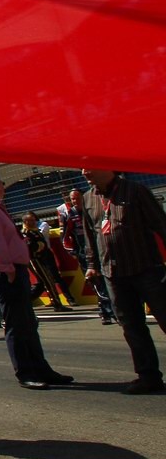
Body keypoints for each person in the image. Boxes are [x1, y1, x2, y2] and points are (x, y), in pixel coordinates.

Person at [0, 170, 73, 390]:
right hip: (5, 271)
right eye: (3, 183)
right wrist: (8, 270)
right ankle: (26, 372)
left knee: (27, 322)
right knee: (17, 325)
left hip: (10, 269)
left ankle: (41, 368)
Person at [80, 169, 166, 394]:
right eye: (82, 167)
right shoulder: (88, 198)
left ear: (107, 167)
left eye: (91, 166)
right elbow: (90, 235)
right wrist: (91, 265)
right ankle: (148, 376)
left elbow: (161, 224)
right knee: (131, 326)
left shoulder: (136, 191)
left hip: (146, 268)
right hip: (113, 274)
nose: (84, 171)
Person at [57, 188, 115, 324]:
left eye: (77, 198)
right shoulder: (68, 215)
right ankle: (105, 311)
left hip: (102, 250)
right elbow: (64, 237)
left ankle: (114, 308)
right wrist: (74, 253)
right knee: (96, 282)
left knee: (110, 279)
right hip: (85, 254)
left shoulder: (94, 209)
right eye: (72, 199)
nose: (75, 201)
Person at [22, 212, 76, 311]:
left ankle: (55, 301)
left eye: (34, 220)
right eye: (31, 220)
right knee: (47, 281)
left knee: (48, 280)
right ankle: (56, 303)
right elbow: (30, 247)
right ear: (25, 221)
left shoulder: (36, 230)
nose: (34, 222)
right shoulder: (26, 233)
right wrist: (39, 246)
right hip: (36, 259)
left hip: (44, 257)